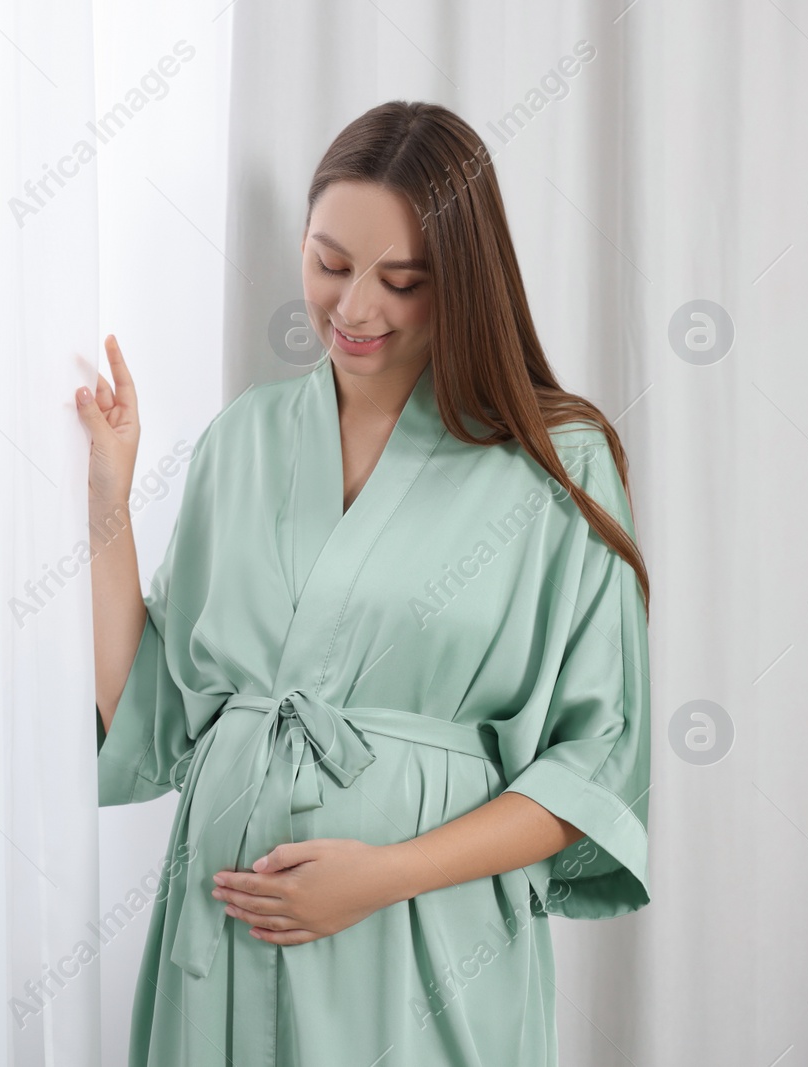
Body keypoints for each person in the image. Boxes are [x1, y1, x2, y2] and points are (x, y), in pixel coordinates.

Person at [75, 100, 652, 1067]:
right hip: (219, 923)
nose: (352, 309)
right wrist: (109, 496)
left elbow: (595, 765)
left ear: (464, 279)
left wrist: (383, 875)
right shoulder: (244, 439)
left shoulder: (559, 463)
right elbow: (152, 710)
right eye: (329, 264)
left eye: (403, 280)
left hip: (424, 938)